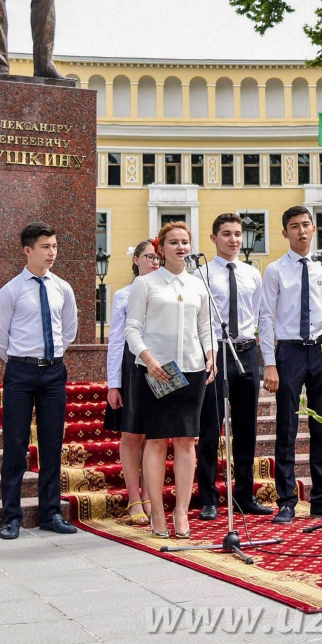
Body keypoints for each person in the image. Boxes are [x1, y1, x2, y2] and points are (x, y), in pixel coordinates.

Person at [258, 206, 322, 524]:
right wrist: (270, 364)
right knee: (287, 425)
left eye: (306, 225)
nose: (301, 231)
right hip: (288, 352)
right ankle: (287, 500)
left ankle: (321, 499)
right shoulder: (275, 270)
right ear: (285, 233)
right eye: (293, 226)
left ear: (314, 229)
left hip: (320, 352)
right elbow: (266, 319)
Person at [125, 222, 214, 539]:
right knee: (158, 440)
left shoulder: (198, 285)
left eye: (185, 242)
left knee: (187, 441)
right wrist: (148, 359)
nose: (180, 247)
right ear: (160, 249)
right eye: (173, 242)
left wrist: (211, 353)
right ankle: (158, 513)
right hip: (156, 370)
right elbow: (132, 329)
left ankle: (181, 512)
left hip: (191, 370)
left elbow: (205, 329)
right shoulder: (146, 284)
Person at [0, 221, 78, 539]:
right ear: (27, 250)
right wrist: (24, 361)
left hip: (54, 372)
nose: (52, 253)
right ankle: (10, 516)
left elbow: (69, 330)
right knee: (15, 445)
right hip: (20, 373)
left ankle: (50, 512)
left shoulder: (62, 288)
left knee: (52, 444)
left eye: (54, 246)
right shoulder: (11, 291)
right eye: (45, 247)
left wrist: (49, 359)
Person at [195, 213, 271, 521]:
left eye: (237, 234)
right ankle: (209, 498)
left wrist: (266, 358)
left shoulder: (252, 274)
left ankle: (243, 495)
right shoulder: (201, 274)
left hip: (246, 353)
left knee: (246, 429)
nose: (234, 239)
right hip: (215, 354)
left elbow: (260, 316)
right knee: (210, 427)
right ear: (214, 238)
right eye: (226, 234)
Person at [104, 240, 159, 524]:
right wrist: (113, 383)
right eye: (149, 257)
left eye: (157, 257)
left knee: (156, 433)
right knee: (131, 434)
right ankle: (135, 498)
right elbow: (115, 341)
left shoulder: (166, 291)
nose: (154, 262)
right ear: (136, 260)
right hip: (131, 365)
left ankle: (151, 495)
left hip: (160, 362)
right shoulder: (124, 295)